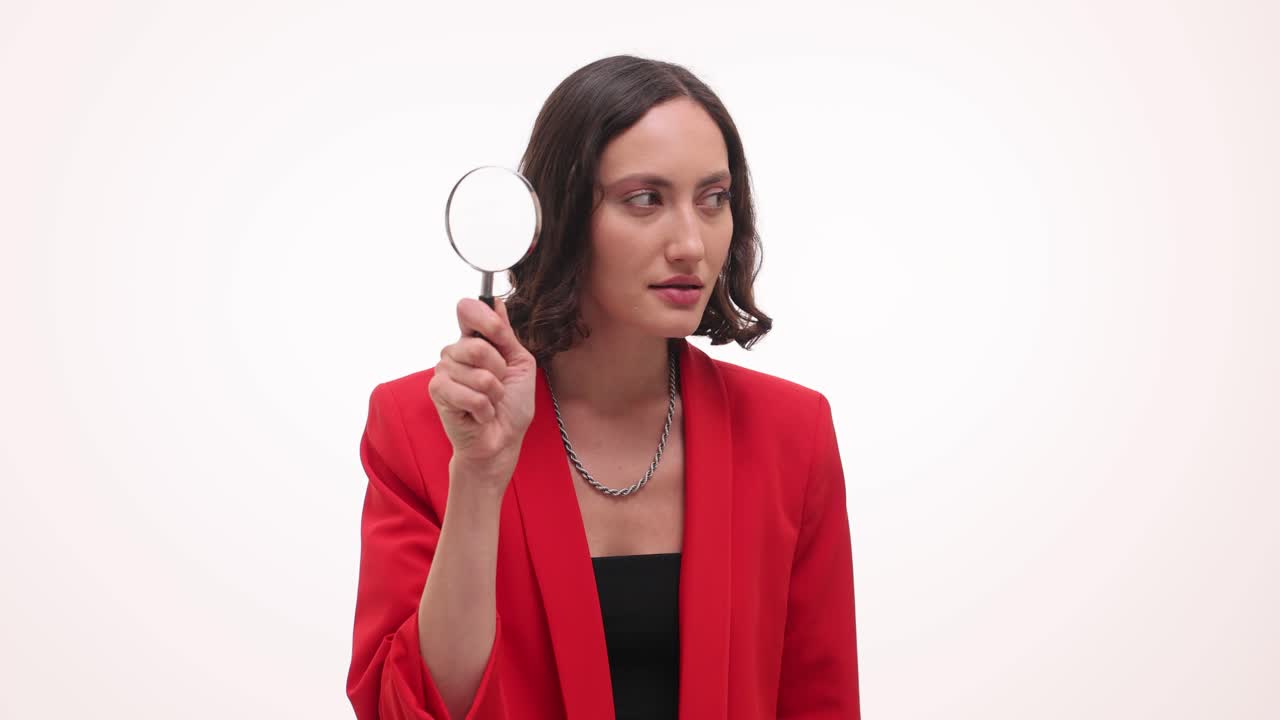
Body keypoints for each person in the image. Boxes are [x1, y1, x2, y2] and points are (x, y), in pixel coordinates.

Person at [346, 55, 861, 720]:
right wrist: (478, 478)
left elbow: (821, 702)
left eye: (713, 199)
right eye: (645, 199)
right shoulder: (421, 426)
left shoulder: (792, 433)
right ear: (560, 216)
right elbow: (408, 709)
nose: (691, 244)